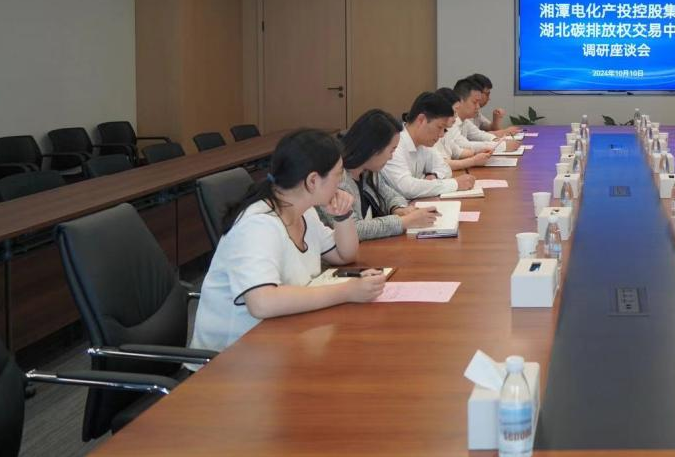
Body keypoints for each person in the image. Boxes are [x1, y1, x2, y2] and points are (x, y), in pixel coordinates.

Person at [190, 129, 384, 355]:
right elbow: (262, 302)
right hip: (232, 357)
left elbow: (344, 255)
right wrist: (347, 291)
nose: (341, 182)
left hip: (281, 337)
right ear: (313, 181)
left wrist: (342, 215)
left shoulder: (304, 211)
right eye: (338, 174)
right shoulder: (258, 225)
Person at [320, 109, 440, 239]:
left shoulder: (368, 171)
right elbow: (353, 229)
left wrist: (398, 209)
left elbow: (390, 194)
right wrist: (404, 221)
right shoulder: (337, 179)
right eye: (391, 150)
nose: (391, 157)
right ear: (374, 148)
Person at [384, 92, 476, 199]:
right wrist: (454, 184)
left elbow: (445, 168)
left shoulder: (424, 143)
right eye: (439, 127)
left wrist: (434, 176)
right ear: (421, 120)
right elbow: (407, 188)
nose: (441, 135)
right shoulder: (394, 144)